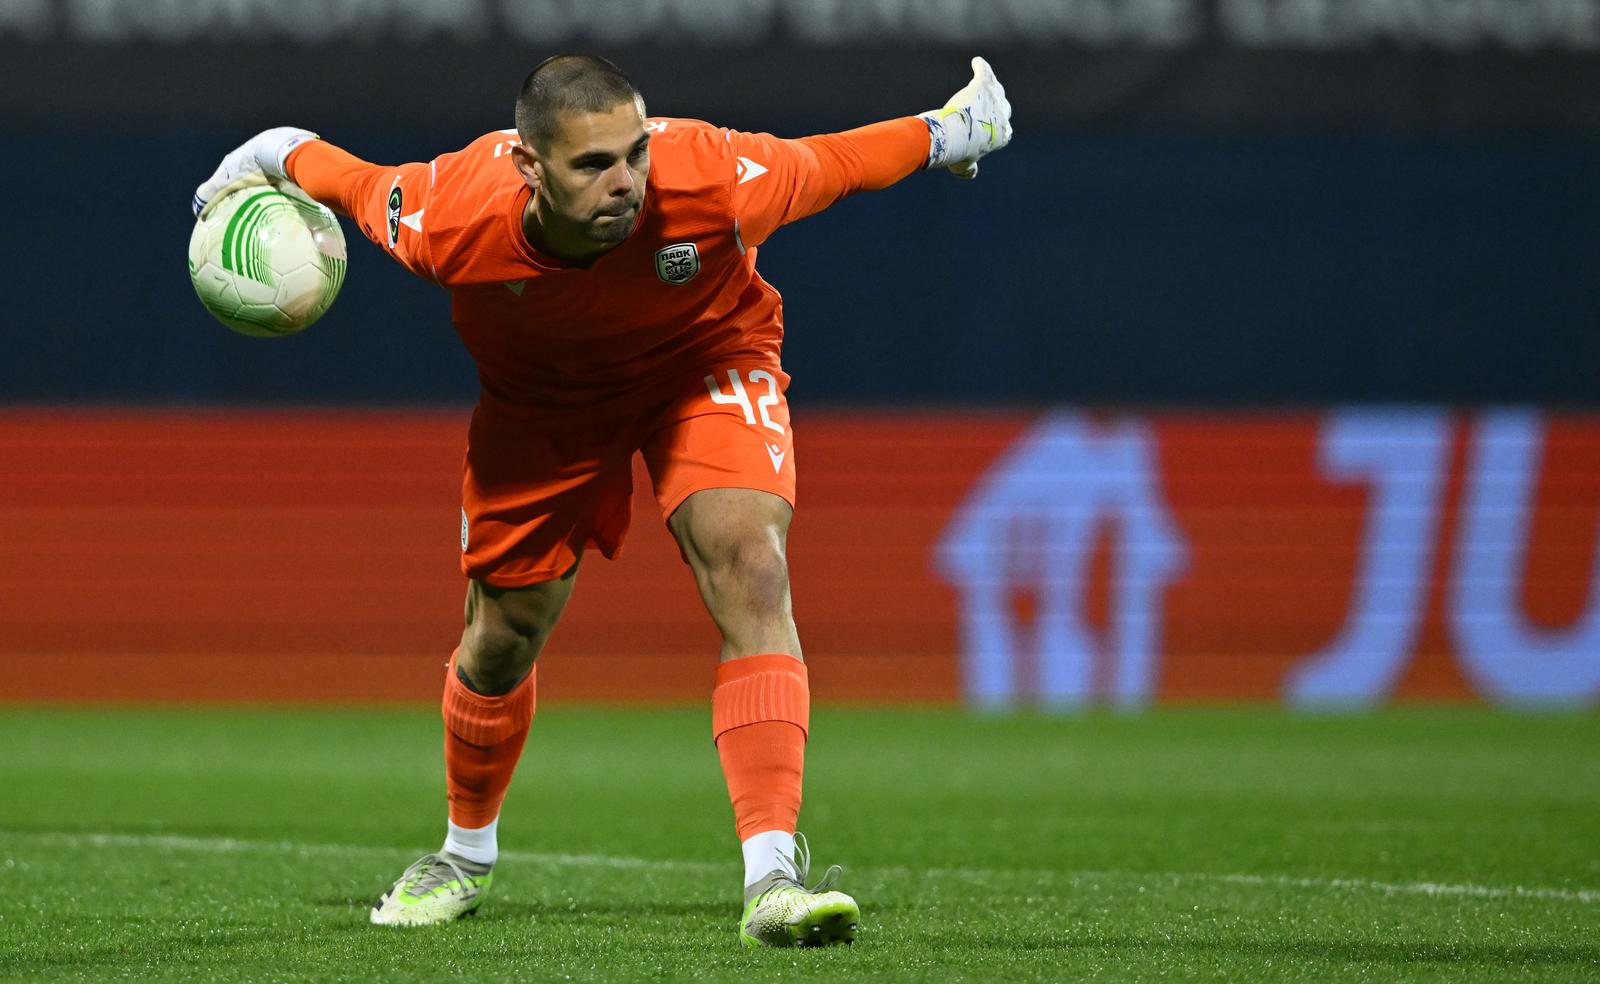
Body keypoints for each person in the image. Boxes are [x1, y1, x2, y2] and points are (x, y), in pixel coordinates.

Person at [192, 52, 1011, 948]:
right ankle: (464, 855)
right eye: (592, 165)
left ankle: (773, 876)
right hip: (544, 410)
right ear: (529, 168)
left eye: (634, 154)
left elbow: (837, 161)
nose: (626, 182)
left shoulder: (711, 175)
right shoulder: (443, 214)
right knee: (501, 640)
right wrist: (253, 158)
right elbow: (319, 163)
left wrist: (952, 131)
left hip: (706, 363)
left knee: (752, 566)